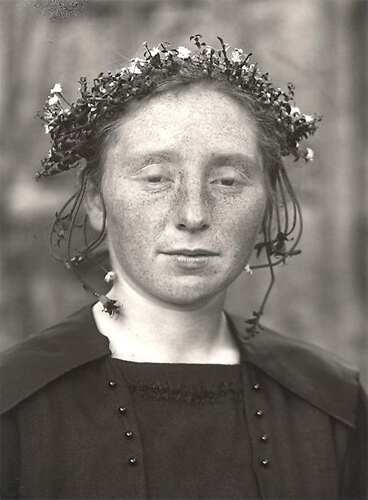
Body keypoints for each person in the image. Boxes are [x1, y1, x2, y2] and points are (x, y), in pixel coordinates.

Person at [0, 35, 367, 499]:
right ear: (96, 197)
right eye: (156, 178)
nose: (193, 214)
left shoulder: (331, 402)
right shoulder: (14, 402)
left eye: (228, 180)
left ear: (266, 199)